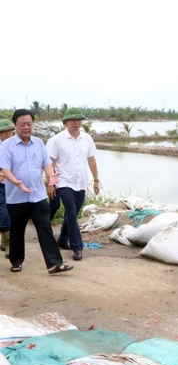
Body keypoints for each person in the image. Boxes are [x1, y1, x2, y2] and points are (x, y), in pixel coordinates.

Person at [0, 109, 74, 274]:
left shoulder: (39, 143)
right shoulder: (7, 145)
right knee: (17, 231)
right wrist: (17, 182)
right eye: (22, 124)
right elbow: (5, 169)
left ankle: (54, 263)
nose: (26, 127)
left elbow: (46, 164)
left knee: (45, 228)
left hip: (38, 196)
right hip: (16, 197)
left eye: (29, 124)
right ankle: (16, 261)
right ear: (15, 126)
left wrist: (51, 177)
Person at [47, 107, 100, 260]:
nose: (76, 123)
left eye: (79, 120)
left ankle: (63, 240)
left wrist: (96, 180)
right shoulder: (57, 140)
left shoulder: (87, 139)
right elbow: (50, 162)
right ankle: (77, 247)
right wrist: (51, 183)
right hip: (64, 181)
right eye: (73, 120)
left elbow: (91, 159)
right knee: (71, 211)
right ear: (66, 122)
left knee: (73, 212)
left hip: (81, 182)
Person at [0, 119, 14, 258]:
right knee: (4, 214)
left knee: (12, 214)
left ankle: (6, 242)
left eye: (9, 130)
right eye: (3, 131)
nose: (7, 133)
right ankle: (8, 243)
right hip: (1, 186)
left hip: (14, 185)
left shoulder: (15, 145)